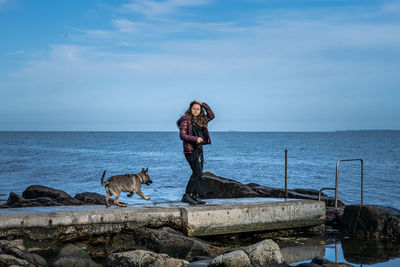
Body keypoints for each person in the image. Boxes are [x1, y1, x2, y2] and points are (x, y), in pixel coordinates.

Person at [177, 100, 215, 205]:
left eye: (198, 109)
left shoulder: (201, 120)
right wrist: (195, 139)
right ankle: (187, 195)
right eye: (194, 109)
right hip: (190, 149)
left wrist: (203, 104)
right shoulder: (185, 120)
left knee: (199, 173)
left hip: (199, 149)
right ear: (190, 109)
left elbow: (211, 115)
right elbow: (182, 136)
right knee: (197, 172)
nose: (196, 111)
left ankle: (194, 196)